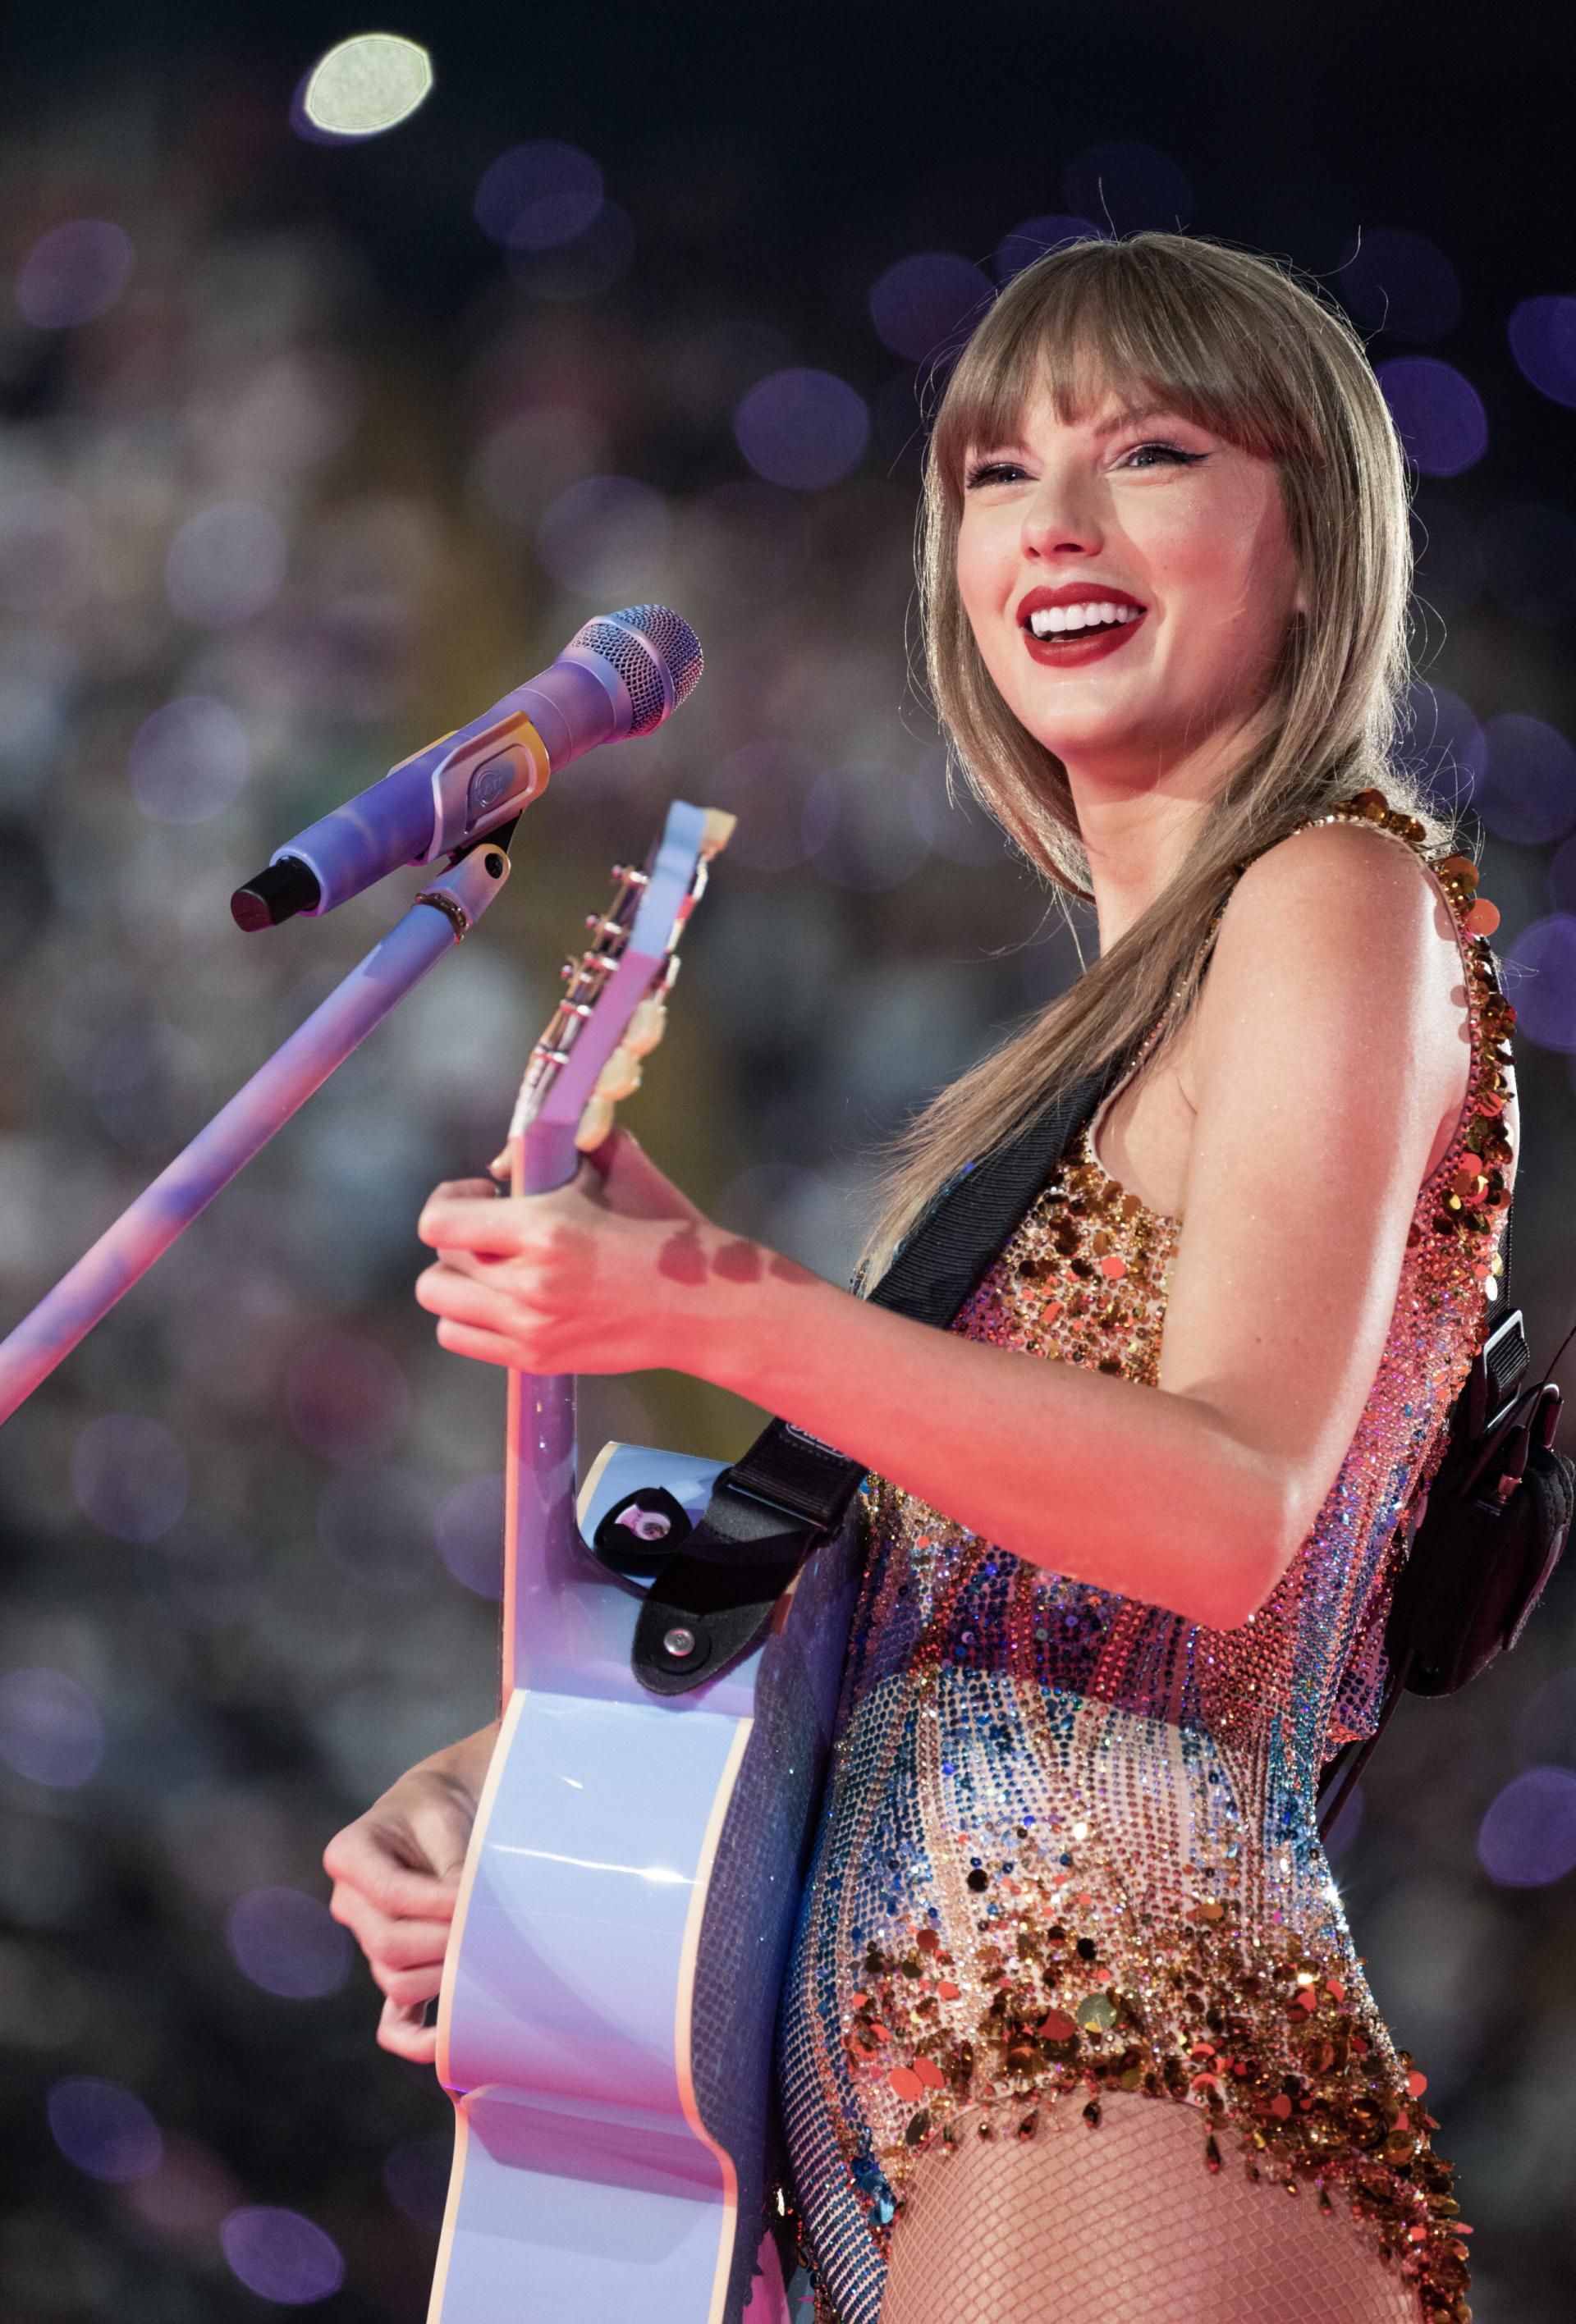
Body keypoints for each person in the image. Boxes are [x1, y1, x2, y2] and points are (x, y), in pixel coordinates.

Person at [325, 233, 1509, 2324]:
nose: (1052, 519)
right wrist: (523, 1782)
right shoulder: (1079, 1063)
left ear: (1316, 542)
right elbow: (920, 1598)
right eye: (991, 471)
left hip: (1121, 2026)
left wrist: (707, 1305)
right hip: (920, 2068)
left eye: (1149, 452)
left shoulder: (1334, 888)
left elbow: (1219, 1507)